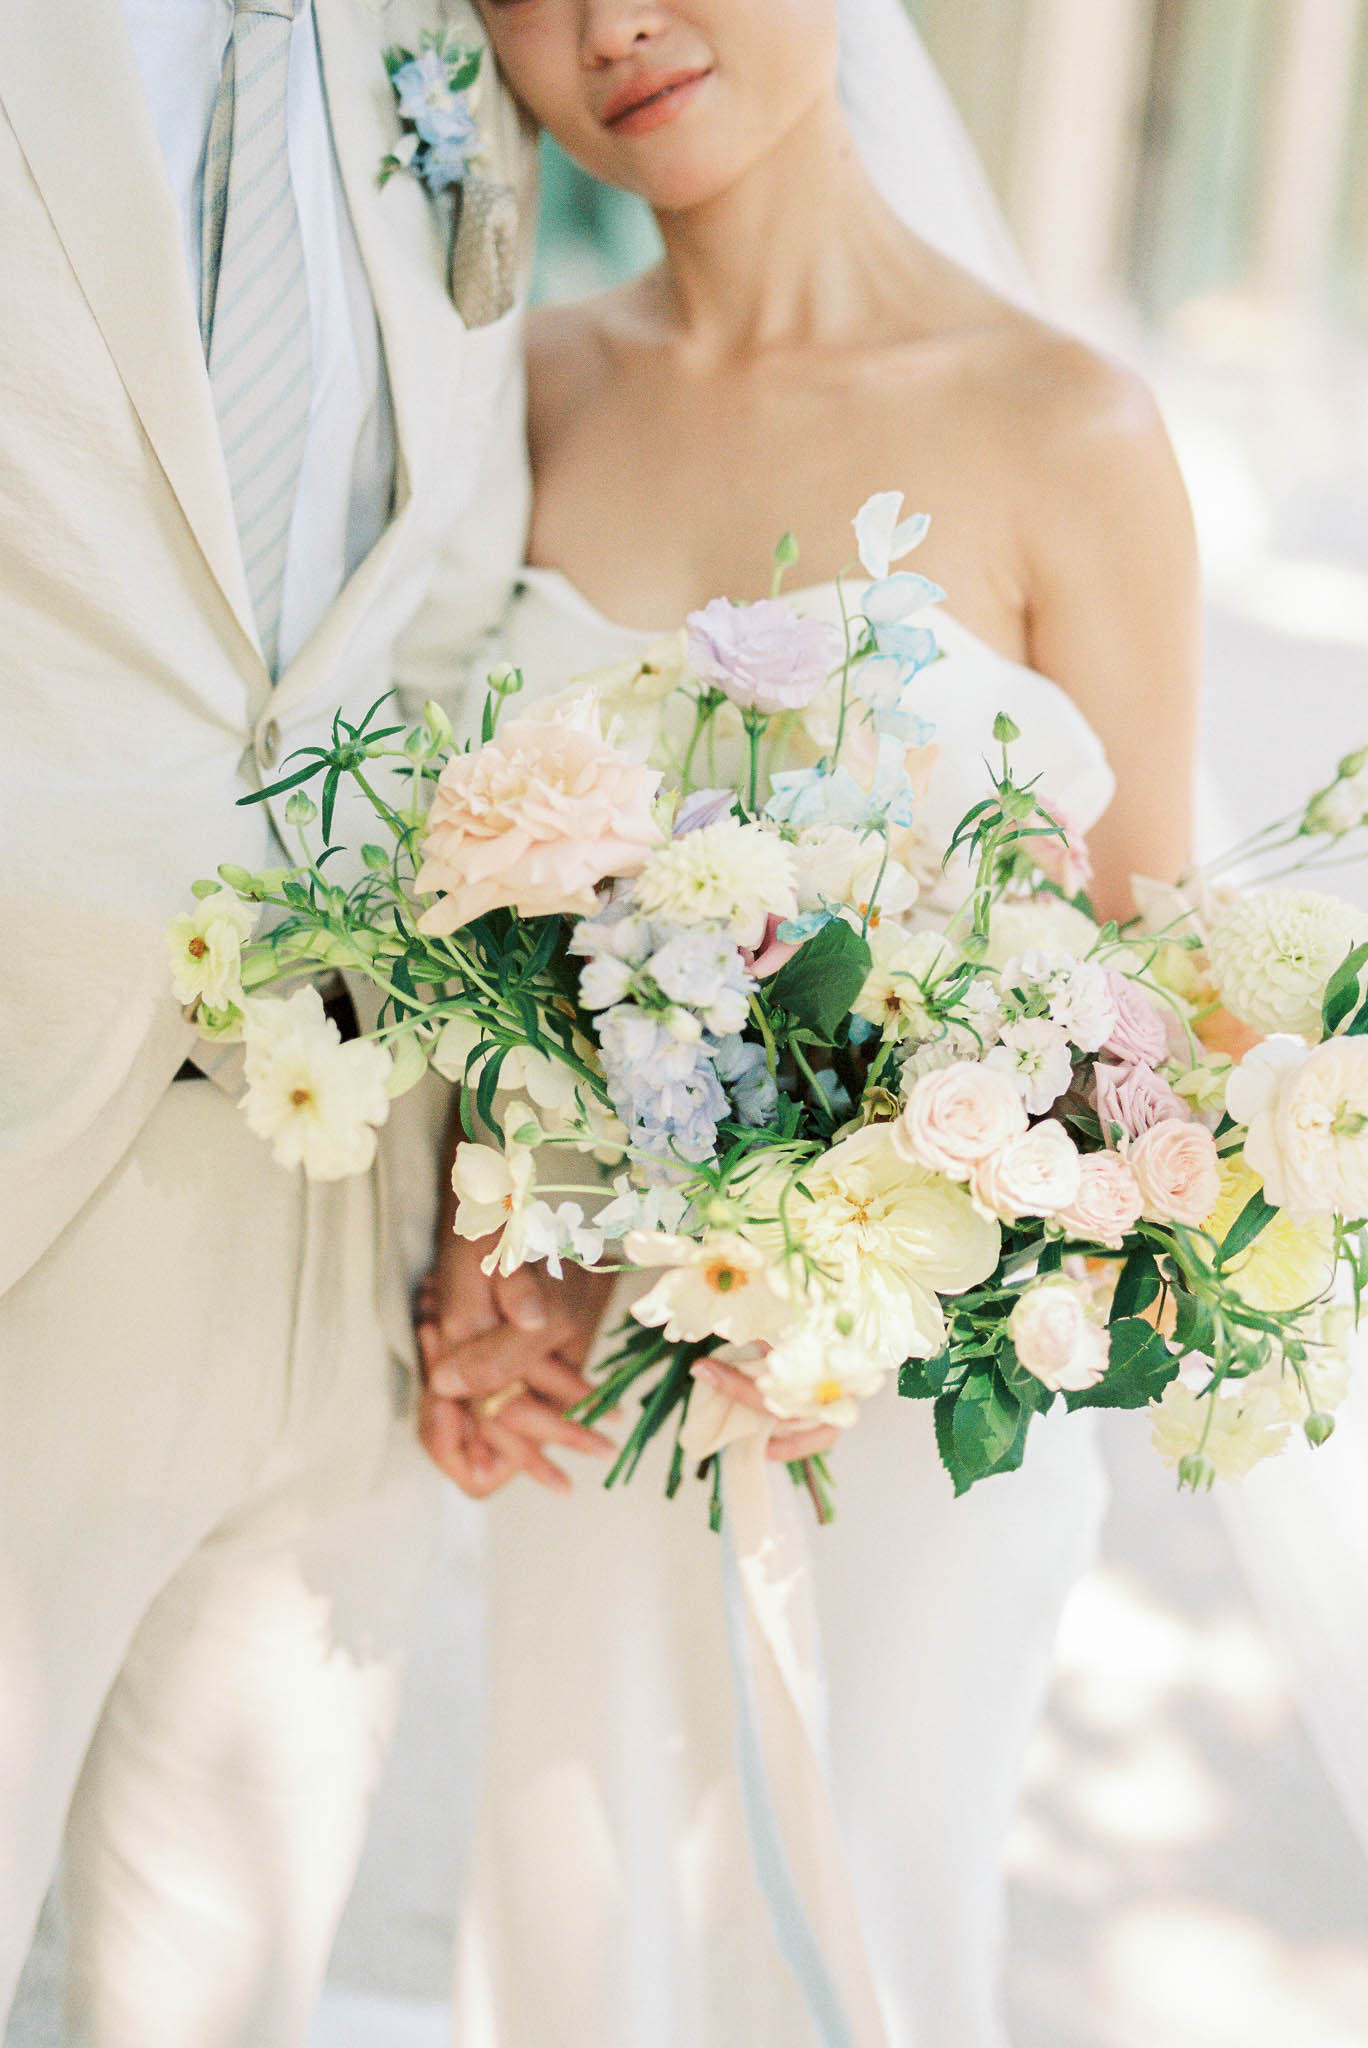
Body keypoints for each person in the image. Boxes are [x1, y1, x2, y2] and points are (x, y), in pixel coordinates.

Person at [415, 2, 1201, 2044]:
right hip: (599, 1398)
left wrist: (879, 1269)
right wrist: (497, 1248)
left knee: (869, 1929)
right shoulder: (525, 399)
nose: (612, 28)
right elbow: (488, 926)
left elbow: (1156, 1019)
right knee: (578, 1919)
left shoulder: (1068, 432)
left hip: (918, 1429)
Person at [0, 4, 607, 2041]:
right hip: (28, 1137)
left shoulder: (421, 50)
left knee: (212, 1990)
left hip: (340, 1196)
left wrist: (485, 1164)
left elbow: (448, 597)